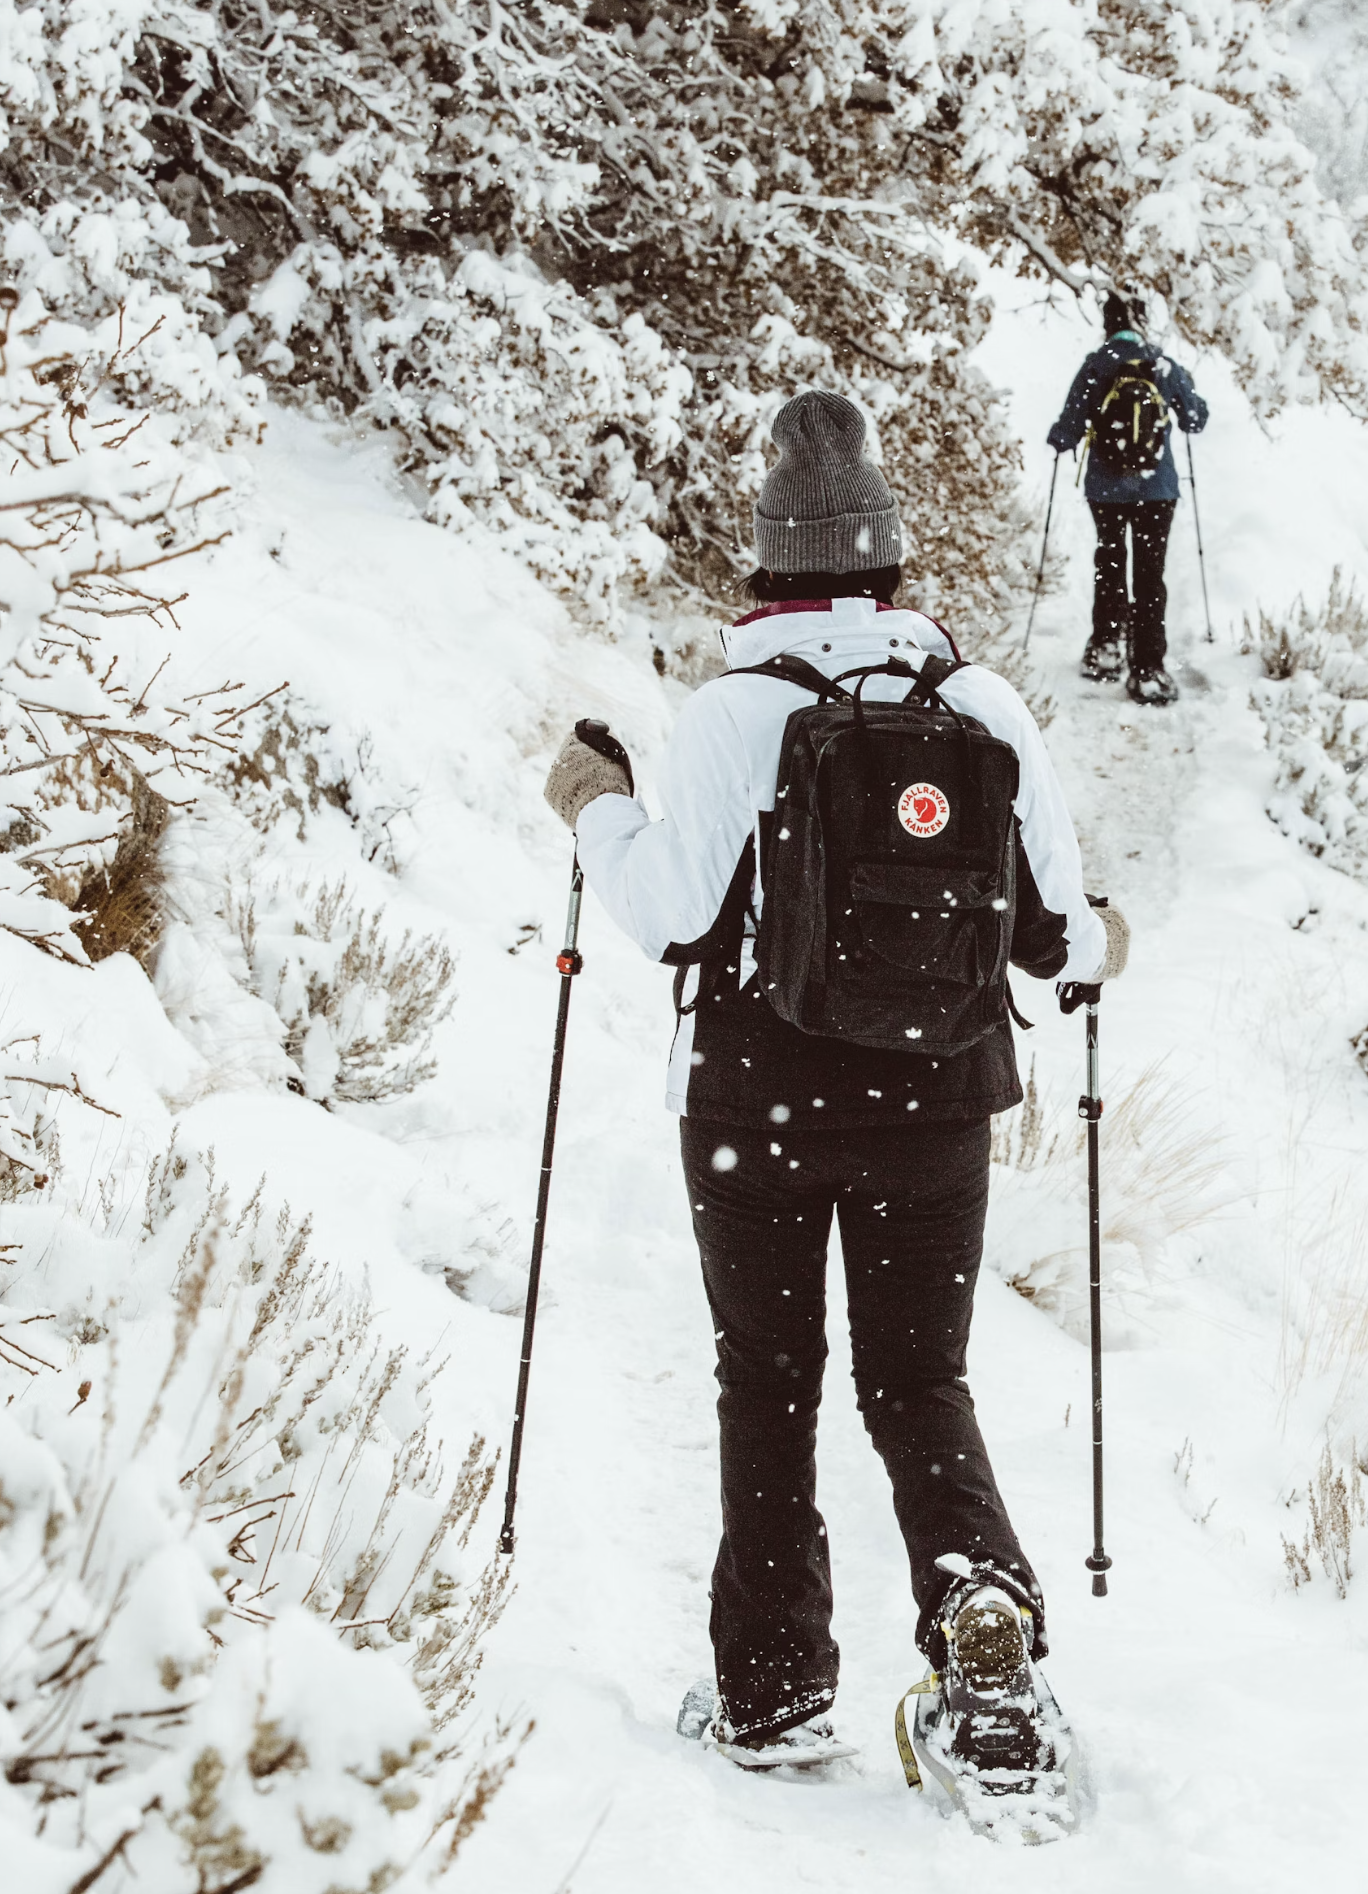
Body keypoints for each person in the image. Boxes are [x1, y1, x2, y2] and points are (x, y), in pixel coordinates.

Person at [542, 390, 1127, 1783]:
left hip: (757, 1103)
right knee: (921, 1377)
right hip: (936, 1105)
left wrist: (594, 804)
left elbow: (675, 918)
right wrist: (1111, 937)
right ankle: (981, 1610)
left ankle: (773, 1688)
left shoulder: (732, 711)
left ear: (767, 558)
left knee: (770, 1377)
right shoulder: (978, 703)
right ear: (889, 554)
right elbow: (1059, 940)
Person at [1045, 291, 1209, 706]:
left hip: (1107, 489)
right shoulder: (1161, 363)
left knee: (1111, 562)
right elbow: (1195, 418)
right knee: (1150, 574)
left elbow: (1070, 425)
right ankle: (1148, 668)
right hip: (1157, 490)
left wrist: (1059, 438)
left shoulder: (1097, 363)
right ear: (1141, 321)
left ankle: (1105, 648)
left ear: (1107, 323)